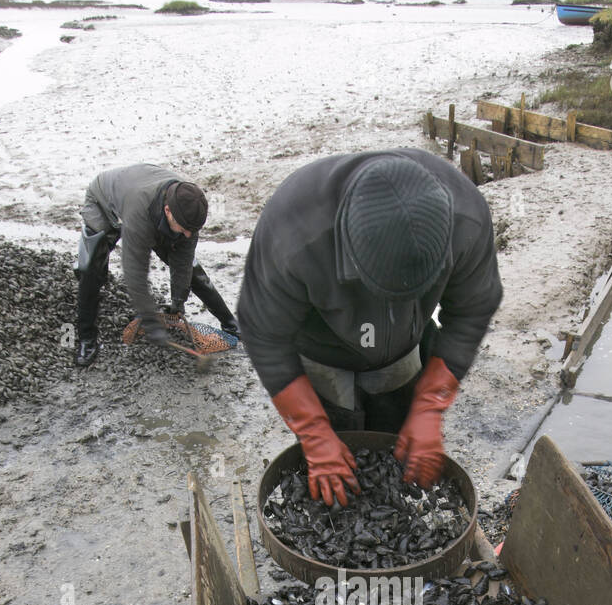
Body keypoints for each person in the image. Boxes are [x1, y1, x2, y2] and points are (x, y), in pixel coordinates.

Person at [237, 149, 502, 505]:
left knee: (397, 442)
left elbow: (472, 310)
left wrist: (430, 406)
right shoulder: (293, 233)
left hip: (404, 346)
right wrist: (314, 433)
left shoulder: (467, 218)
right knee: (332, 445)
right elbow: (263, 334)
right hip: (321, 348)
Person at [74, 163, 239, 367]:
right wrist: (151, 321)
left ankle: (231, 323)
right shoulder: (140, 215)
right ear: (168, 211)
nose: (188, 235)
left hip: (150, 208)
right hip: (103, 201)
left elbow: (183, 262)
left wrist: (178, 300)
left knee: (192, 271)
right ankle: (86, 338)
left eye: (192, 231)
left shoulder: (188, 209)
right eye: (185, 229)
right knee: (91, 270)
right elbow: (135, 273)